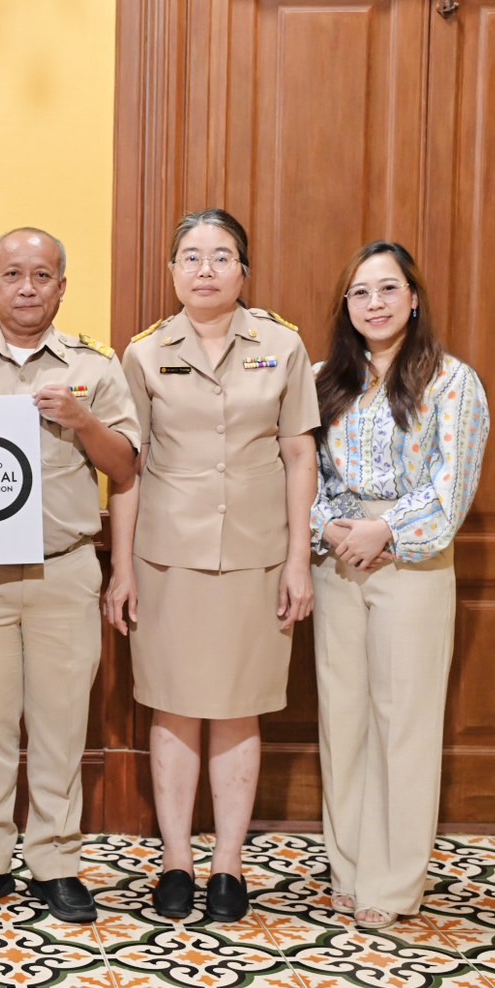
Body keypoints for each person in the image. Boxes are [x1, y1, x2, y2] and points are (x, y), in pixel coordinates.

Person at [106, 208, 318, 923]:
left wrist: (298, 560)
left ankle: (228, 864)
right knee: (172, 706)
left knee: (237, 707)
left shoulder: (282, 345)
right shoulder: (143, 354)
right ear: (172, 271)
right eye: (191, 256)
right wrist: (121, 569)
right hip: (167, 557)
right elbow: (127, 468)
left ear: (243, 271)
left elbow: (299, 455)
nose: (205, 269)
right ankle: (176, 860)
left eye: (221, 256)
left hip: (257, 556)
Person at [0, 227, 139, 924]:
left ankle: (55, 862)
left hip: (64, 571)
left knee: (60, 726)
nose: (26, 287)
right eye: (12, 274)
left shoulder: (94, 367)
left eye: (41, 275)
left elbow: (125, 467)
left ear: (61, 287)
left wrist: (82, 419)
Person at [310, 242, 489, 929]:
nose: (374, 303)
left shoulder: (451, 381)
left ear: (413, 299)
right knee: (343, 719)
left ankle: (392, 883)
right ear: (346, 306)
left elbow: (451, 487)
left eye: (388, 289)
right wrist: (330, 529)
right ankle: (348, 870)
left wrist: (383, 530)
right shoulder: (324, 380)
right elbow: (300, 472)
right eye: (360, 292)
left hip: (410, 561)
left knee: (402, 723)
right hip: (336, 559)